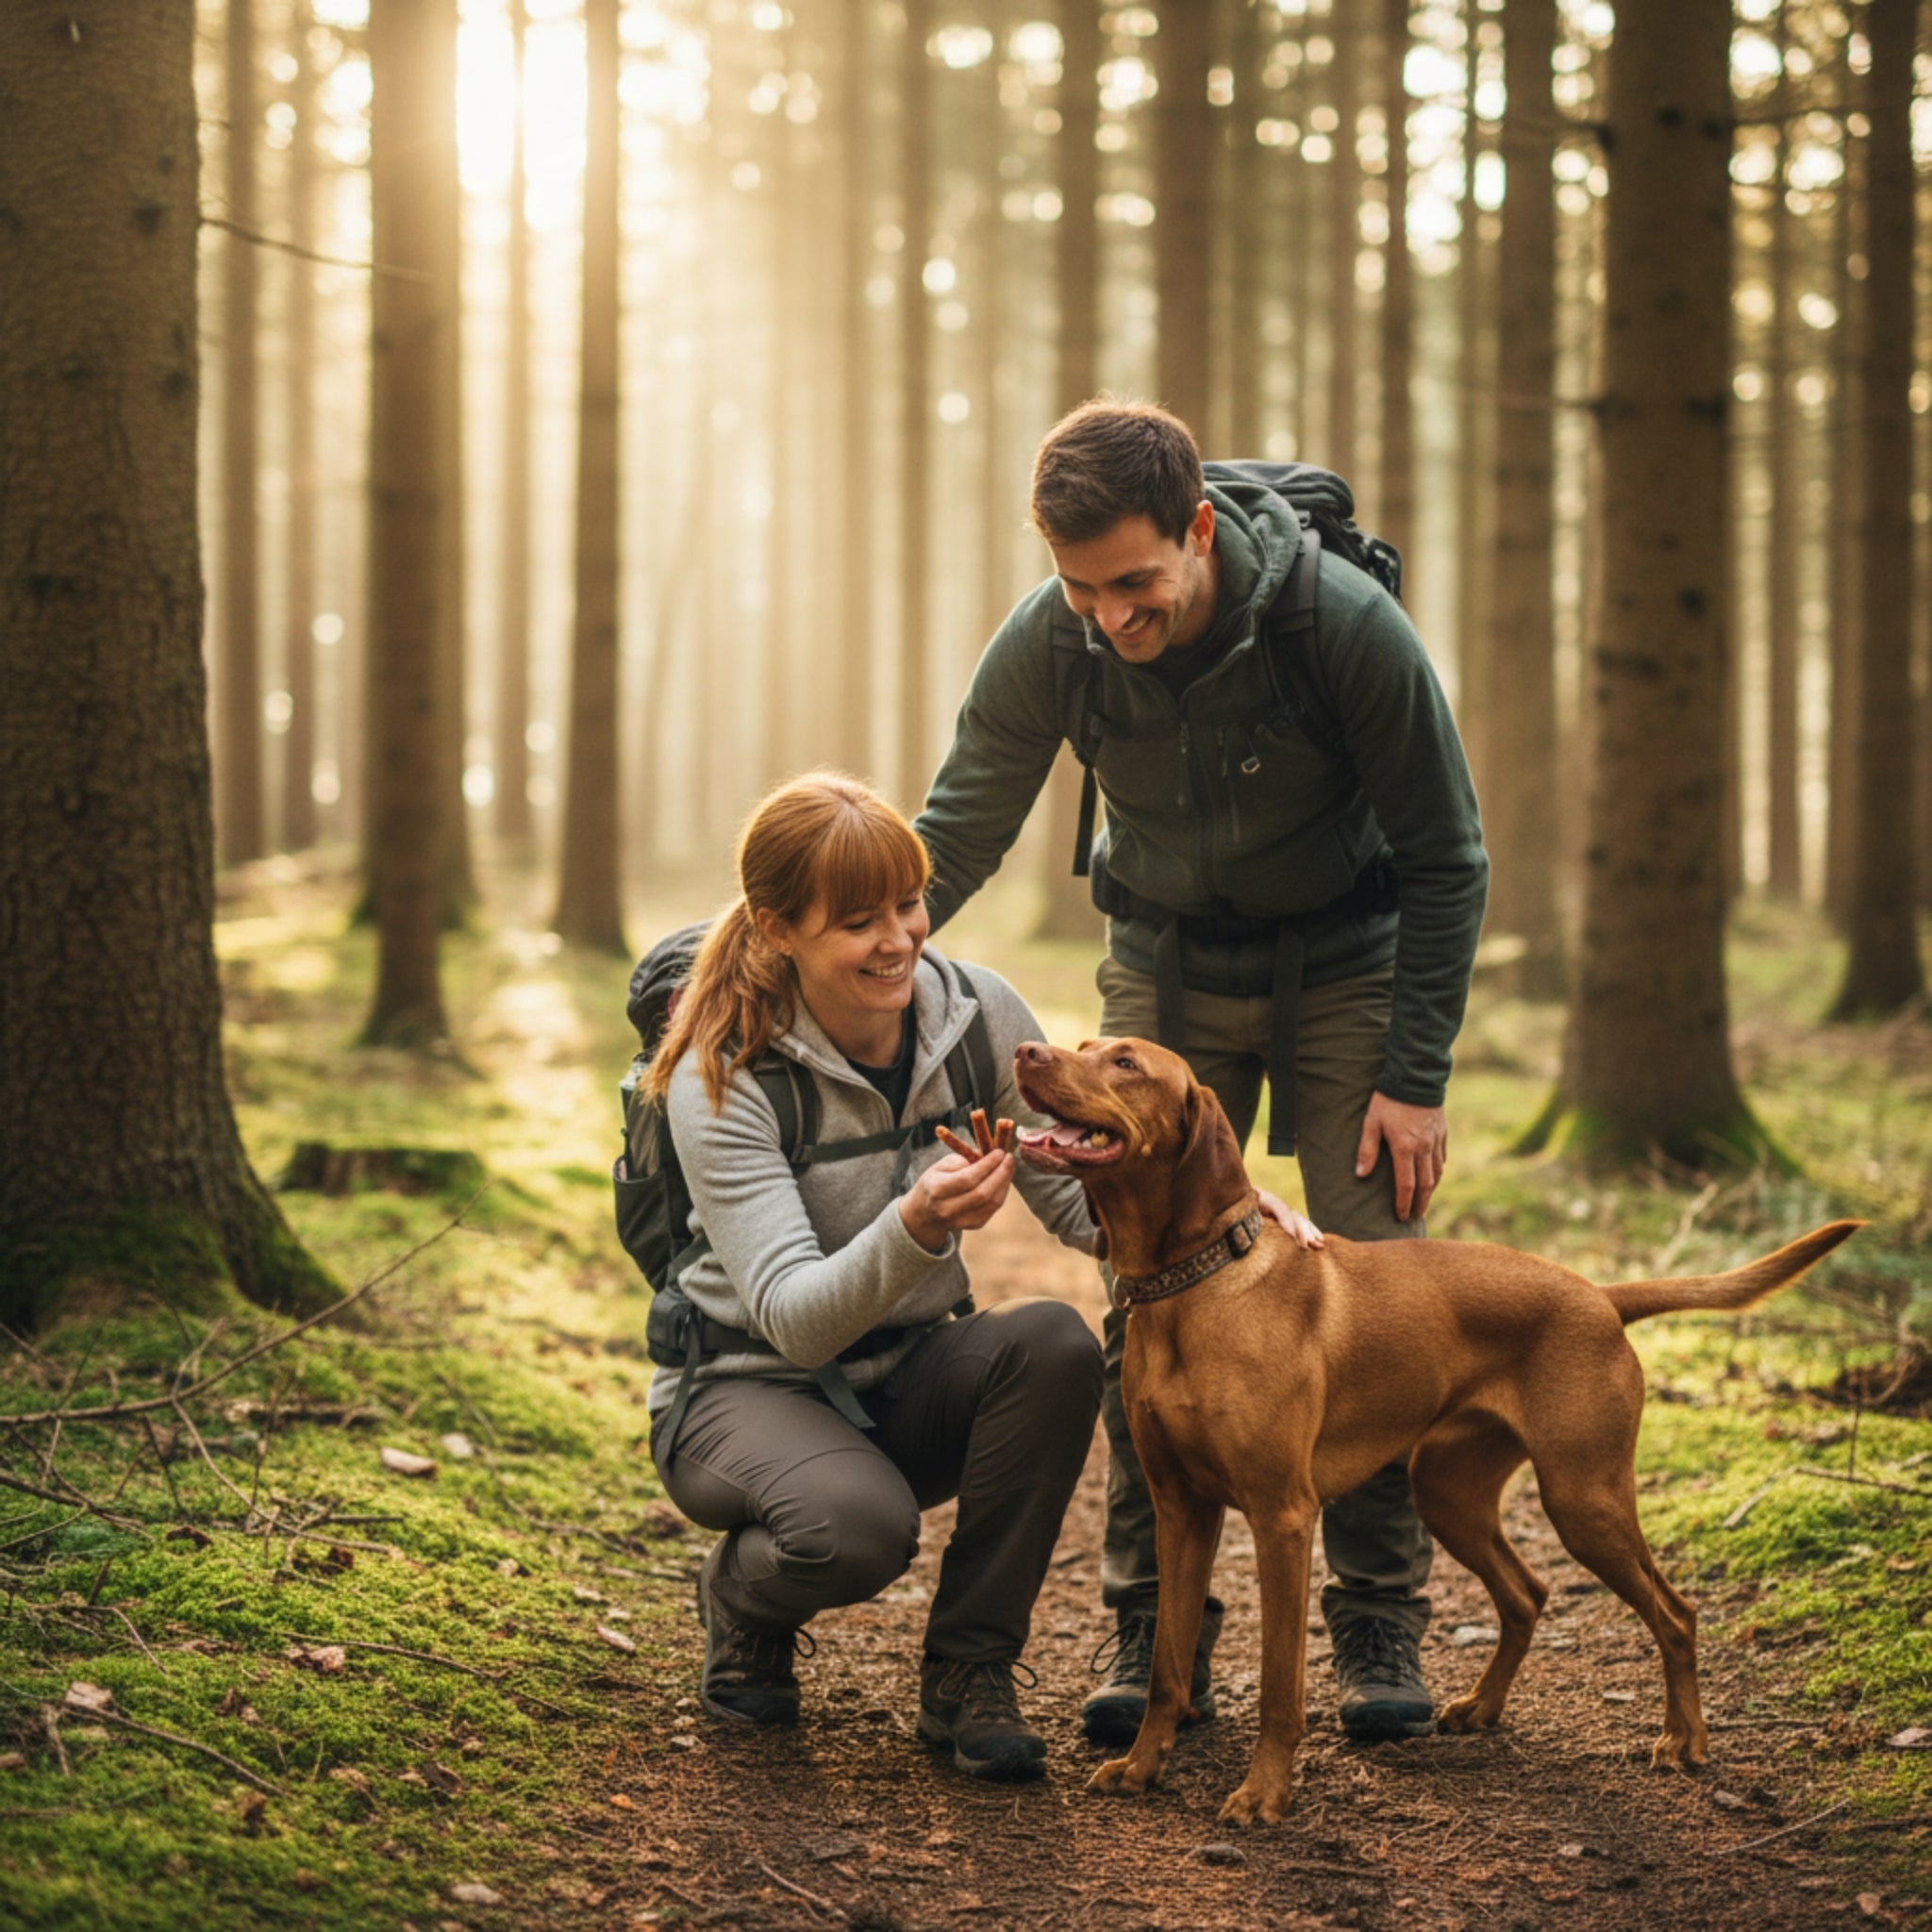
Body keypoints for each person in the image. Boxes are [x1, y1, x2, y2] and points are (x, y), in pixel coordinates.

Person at [913, 400, 1490, 1748]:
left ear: (1199, 529)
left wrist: (1414, 1072)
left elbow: (1447, 854)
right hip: (1163, 970)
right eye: (1080, 590)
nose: (1109, 617)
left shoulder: (1340, 626)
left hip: (1345, 964)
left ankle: (1376, 1617)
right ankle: (1151, 1627)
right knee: (1146, 1288)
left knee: (1371, 1267)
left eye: (1134, 583)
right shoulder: (1052, 637)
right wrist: (852, 948)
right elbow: (960, 823)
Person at [642, 772, 1110, 1784]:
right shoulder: (723, 1072)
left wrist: (1225, 1216)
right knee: (853, 1531)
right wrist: (915, 1223)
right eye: (858, 922)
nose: (899, 939)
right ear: (778, 929)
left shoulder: (976, 1015)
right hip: (741, 1388)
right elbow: (793, 1320)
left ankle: (970, 1670)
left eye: (908, 903)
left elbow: (1082, 1208)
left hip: (903, 1371)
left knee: (1055, 1344)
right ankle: (742, 1600)